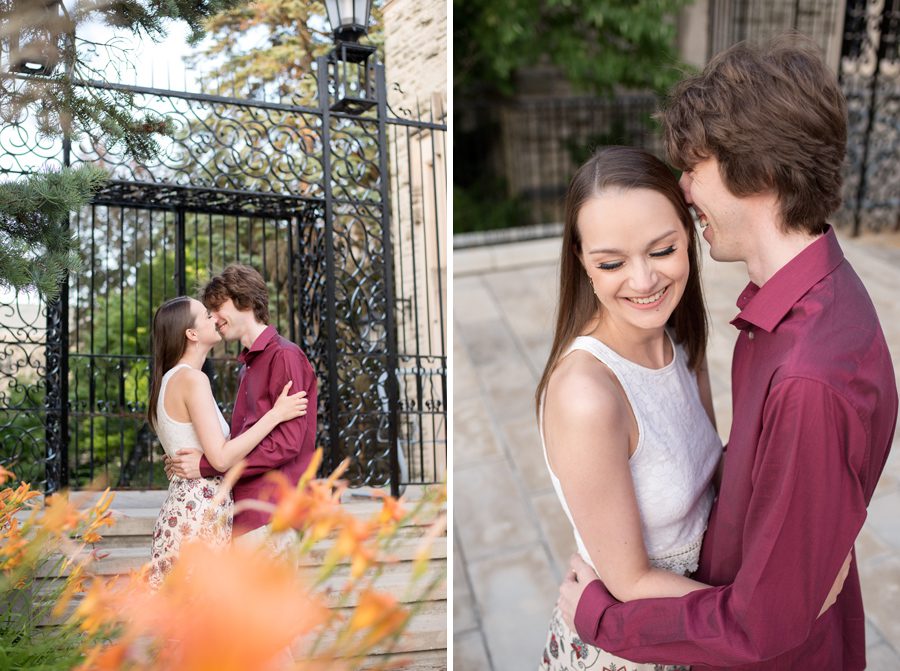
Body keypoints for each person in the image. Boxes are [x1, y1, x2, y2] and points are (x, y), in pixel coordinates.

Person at [559, 36, 898, 670]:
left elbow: (762, 623)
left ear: (759, 172)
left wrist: (603, 616)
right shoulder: (801, 306)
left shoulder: (807, 376)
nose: (684, 188)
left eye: (696, 165)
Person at [535, 145, 722, 671]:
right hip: (635, 642)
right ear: (582, 262)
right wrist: (754, 612)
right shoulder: (586, 395)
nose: (643, 282)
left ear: (689, 233)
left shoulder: (682, 340)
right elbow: (629, 581)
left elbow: (713, 476)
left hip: (700, 621)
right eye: (612, 263)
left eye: (662, 251)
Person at [147, 295, 308, 587]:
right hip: (198, 513)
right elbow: (220, 458)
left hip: (187, 508)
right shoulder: (192, 380)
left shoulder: (171, 379)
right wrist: (275, 415)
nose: (214, 318)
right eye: (206, 316)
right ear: (191, 334)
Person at [166, 264, 319, 546]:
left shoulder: (284, 357)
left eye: (217, 306)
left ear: (245, 301)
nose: (213, 316)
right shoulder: (248, 365)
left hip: (273, 513)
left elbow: (286, 444)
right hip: (245, 514)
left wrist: (208, 466)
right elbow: (242, 441)